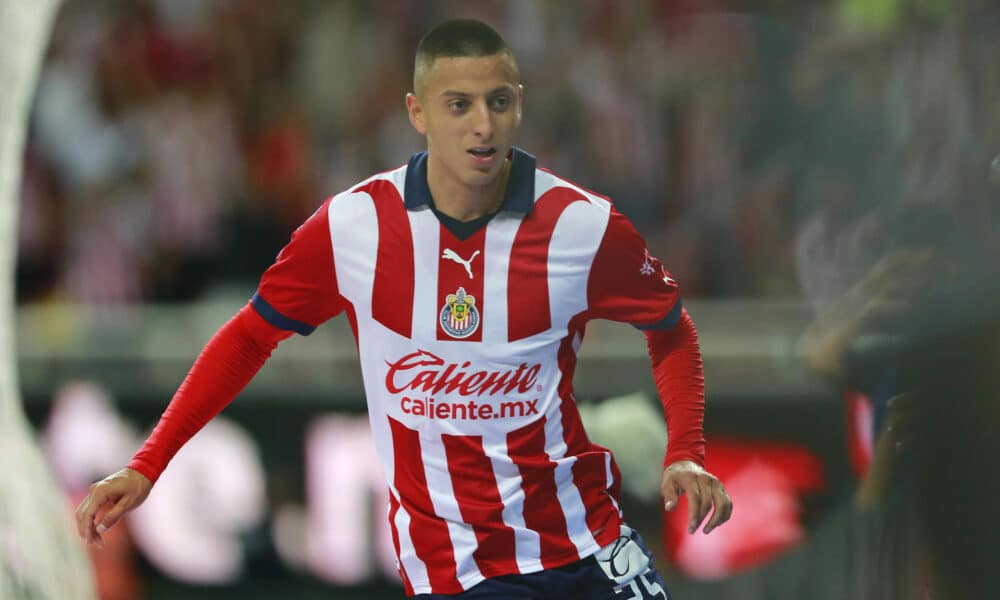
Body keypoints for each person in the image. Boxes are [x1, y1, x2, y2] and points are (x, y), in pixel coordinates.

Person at [76, 19, 732, 599]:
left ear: (519, 108)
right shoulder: (353, 227)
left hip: (590, 546)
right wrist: (148, 463)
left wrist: (686, 451)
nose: (482, 124)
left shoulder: (583, 227)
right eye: (459, 105)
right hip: (462, 574)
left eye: (497, 102)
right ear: (417, 113)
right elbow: (251, 335)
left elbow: (670, 329)